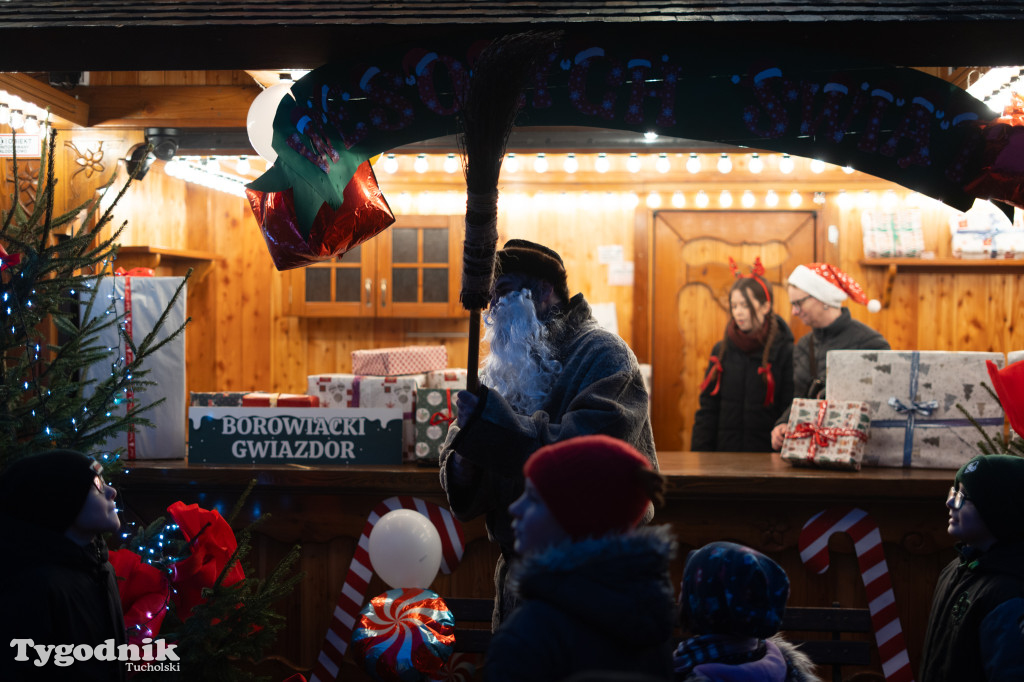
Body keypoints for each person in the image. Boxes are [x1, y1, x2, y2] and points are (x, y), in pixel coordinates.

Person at [439, 239, 657, 629]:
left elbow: (585, 460)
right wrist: (465, 461)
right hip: (518, 587)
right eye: (490, 299)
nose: (493, 312)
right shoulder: (503, 364)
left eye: (503, 294)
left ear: (543, 292)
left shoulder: (605, 355)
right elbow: (464, 475)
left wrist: (491, 427)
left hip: (591, 583)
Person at [485, 435, 677, 682]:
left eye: (533, 499)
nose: (515, 508)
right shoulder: (650, 621)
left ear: (574, 519)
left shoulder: (527, 636)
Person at [0, 450, 127, 681]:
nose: (112, 491)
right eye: (97, 485)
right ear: (60, 500)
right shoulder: (32, 586)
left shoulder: (100, 567)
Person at [919, 454, 1024, 681]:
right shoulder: (955, 569)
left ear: (996, 509)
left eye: (962, 497)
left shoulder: (1009, 595)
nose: (949, 503)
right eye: (953, 493)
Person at [770, 262, 889, 450]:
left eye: (798, 303)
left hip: (858, 450)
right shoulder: (803, 345)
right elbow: (801, 398)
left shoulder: (871, 343)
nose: (794, 311)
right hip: (812, 450)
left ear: (822, 298)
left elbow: (883, 402)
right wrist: (783, 424)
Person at [674, 541, 820, 682]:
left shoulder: (688, 668)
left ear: (705, 604)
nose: (678, 597)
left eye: (685, 589)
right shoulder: (780, 666)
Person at [691, 259, 795, 452]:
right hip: (723, 459)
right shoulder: (721, 350)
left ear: (765, 307)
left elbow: (789, 408)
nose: (738, 312)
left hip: (768, 460)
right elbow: (708, 410)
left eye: (745, 305)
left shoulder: (785, 351)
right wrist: (700, 455)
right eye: (734, 305)